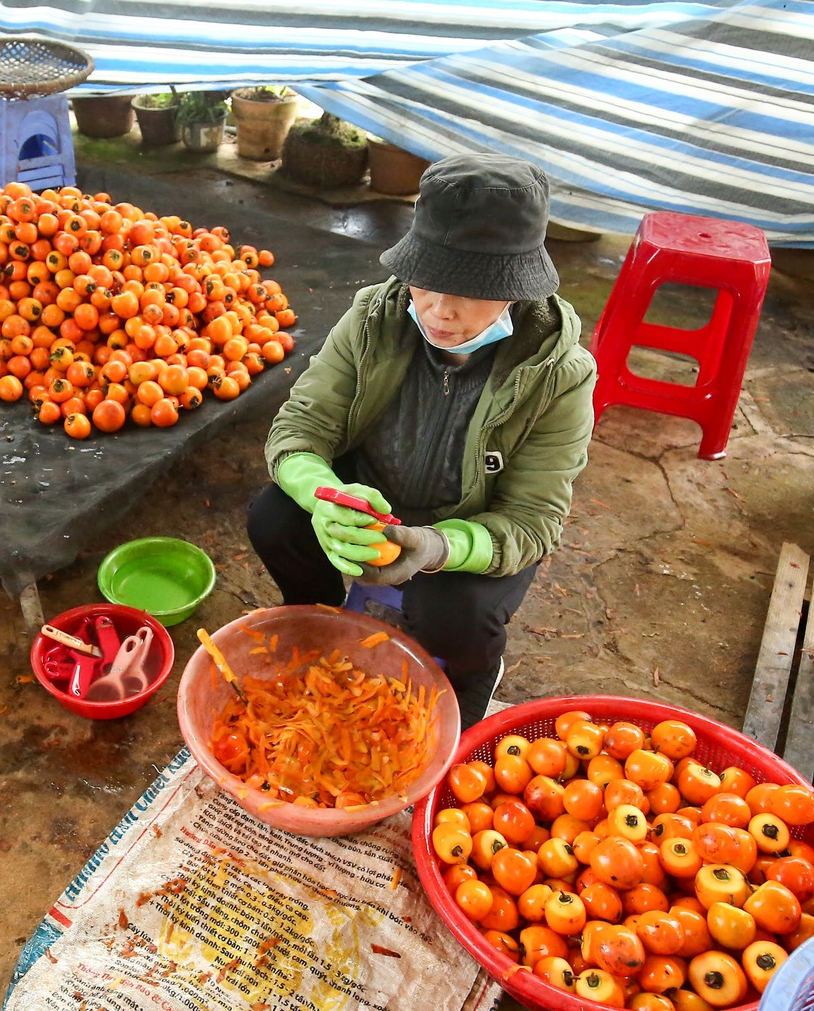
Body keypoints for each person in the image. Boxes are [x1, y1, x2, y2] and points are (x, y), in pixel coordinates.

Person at [250, 153, 597, 725]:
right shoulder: (375, 317)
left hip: (470, 529)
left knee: (450, 609)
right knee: (274, 519)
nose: (438, 308)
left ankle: (472, 677)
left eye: (470, 289)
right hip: (373, 496)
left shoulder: (559, 374)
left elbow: (533, 520)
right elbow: (302, 426)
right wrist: (327, 499)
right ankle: (318, 620)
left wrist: (438, 547)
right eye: (426, 279)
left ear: (516, 289)